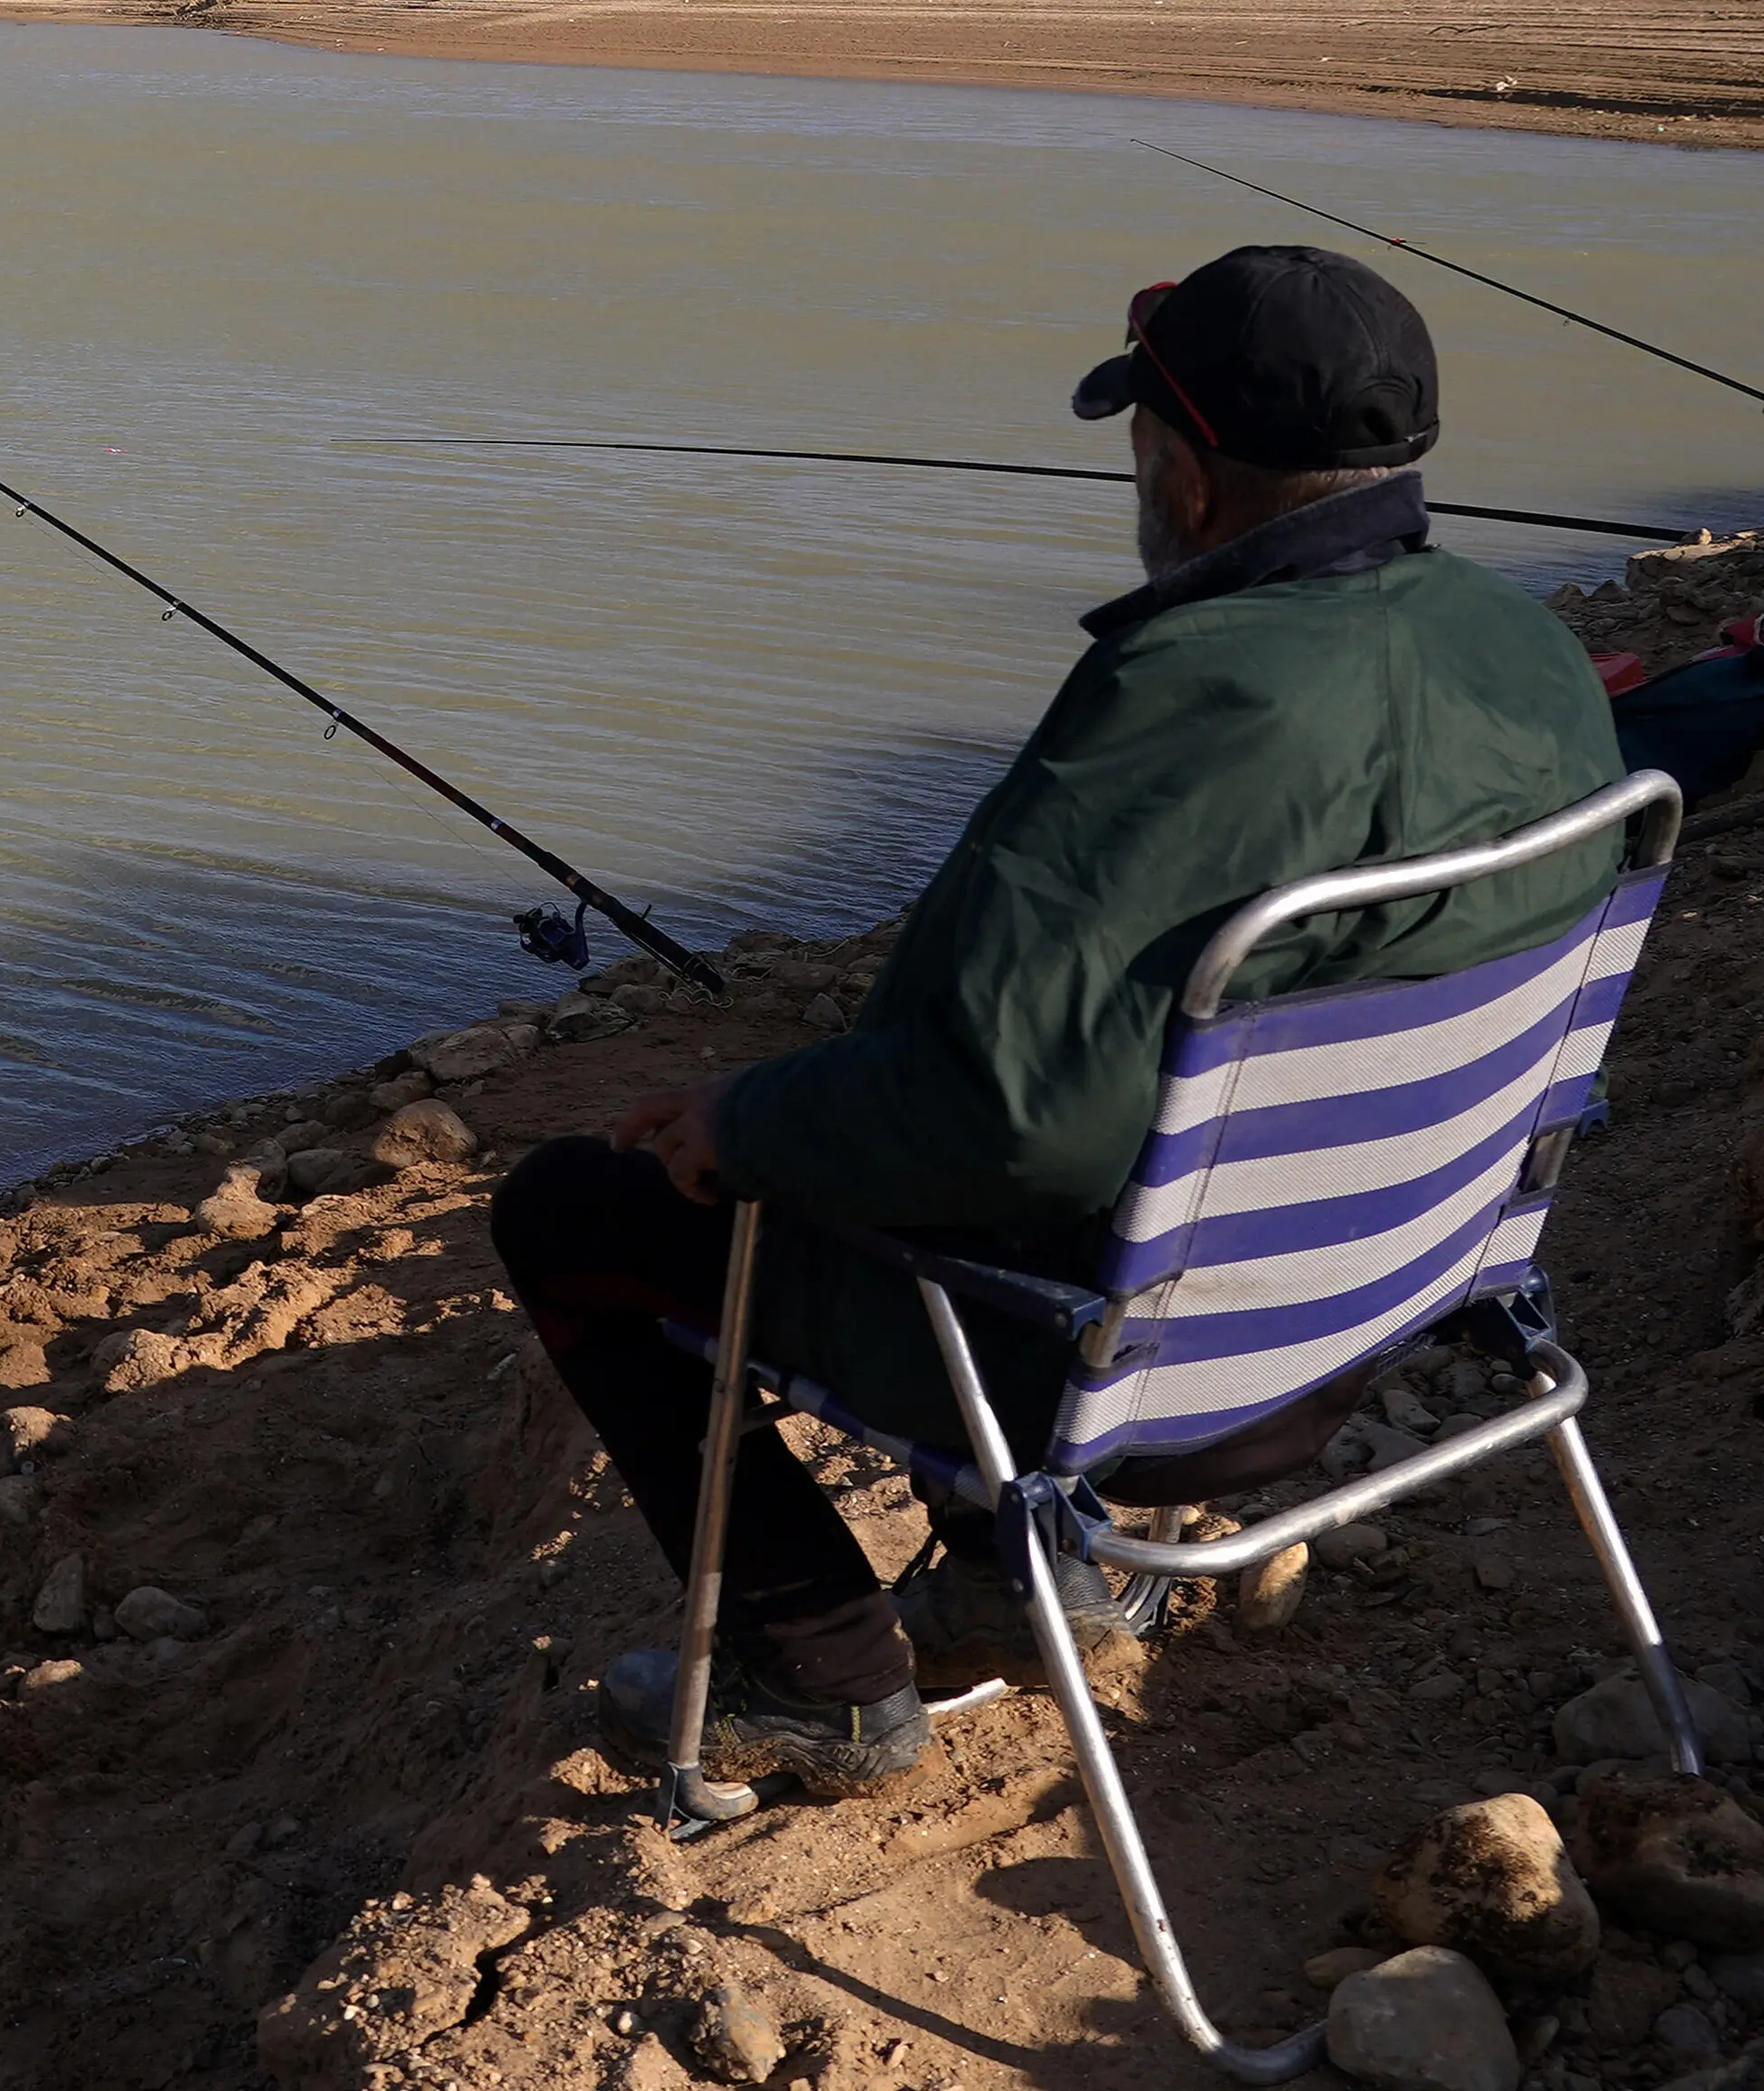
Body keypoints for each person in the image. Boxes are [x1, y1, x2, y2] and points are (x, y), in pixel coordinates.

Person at [490, 245, 1625, 1794]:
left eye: (1141, 450)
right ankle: (1020, 1582)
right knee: (1062, 1124)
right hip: (1378, 1301)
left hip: (1154, 1392)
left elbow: (1005, 1122)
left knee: (570, 1213)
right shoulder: (1528, 648)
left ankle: (815, 1681)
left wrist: (745, 1118)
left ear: (1188, 478)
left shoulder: (1185, 693)